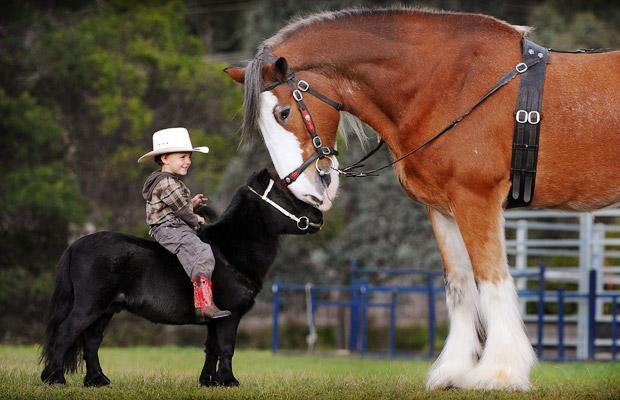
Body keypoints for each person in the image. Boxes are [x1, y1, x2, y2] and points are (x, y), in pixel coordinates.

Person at [138, 127, 230, 320]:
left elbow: (176, 205)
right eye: (182, 157)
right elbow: (182, 212)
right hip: (170, 229)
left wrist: (192, 204)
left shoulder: (166, 181)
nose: (188, 161)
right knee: (203, 253)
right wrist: (195, 217)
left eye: (189, 157)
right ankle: (204, 305)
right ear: (164, 159)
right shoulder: (168, 183)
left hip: (171, 226)